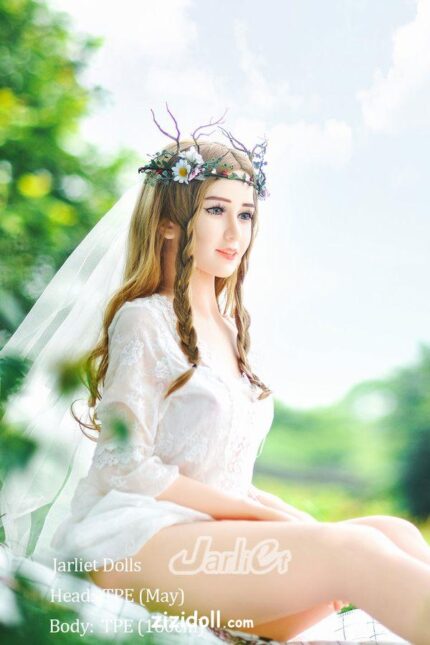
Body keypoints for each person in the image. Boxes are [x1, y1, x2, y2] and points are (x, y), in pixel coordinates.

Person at [2, 107, 430, 643]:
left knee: (392, 531)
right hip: (132, 542)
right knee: (354, 550)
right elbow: (125, 466)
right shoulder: (144, 320)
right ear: (168, 222)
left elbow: (226, 479)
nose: (234, 232)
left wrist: (284, 516)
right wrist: (263, 520)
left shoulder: (232, 331)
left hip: (209, 540)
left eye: (246, 215)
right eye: (215, 210)